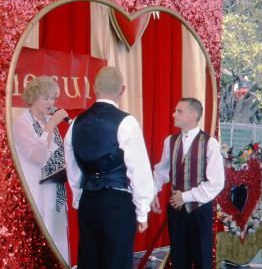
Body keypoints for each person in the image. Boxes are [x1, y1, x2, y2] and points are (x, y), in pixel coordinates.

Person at [64, 66, 154, 269]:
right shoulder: (127, 122)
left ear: (94, 88)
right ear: (122, 90)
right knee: (117, 262)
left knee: (89, 262)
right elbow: (139, 170)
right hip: (117, 203)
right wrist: (142, 212)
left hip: (88, 201)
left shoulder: (76, 122)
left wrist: (79, 198)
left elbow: (72, 167)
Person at [151, 97, 225, 269]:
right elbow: (161, 171)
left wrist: (185, 196)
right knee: (179, 261)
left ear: (193, 115)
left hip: (199, 211)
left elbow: (216, 183)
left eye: (179, 111)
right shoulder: (169, 141)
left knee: (203, 260)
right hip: (176, 211)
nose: (173, 114)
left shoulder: (210, 143)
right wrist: (153, 191)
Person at [12, 76, 70, 263]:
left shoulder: (47, 120)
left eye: (53, 98)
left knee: (57, 237)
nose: (51, 103)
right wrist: (52, 124)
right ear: (34, 97)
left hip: (54, 189)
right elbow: (38, 157)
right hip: (35, 191)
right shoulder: (22, 123)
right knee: (40, 239)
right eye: (46, 98)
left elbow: (58, 155)